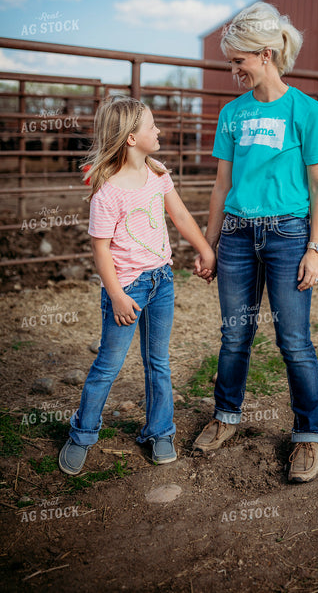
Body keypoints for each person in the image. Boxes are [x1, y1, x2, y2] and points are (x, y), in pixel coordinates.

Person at [193, 1, 318, 483]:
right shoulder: (232, 114)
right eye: (232, 62)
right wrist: (208, 245)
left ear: (266, 55)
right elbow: (219, 184)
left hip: (289, 236)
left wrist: (315, 248)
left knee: (294, 341)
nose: (234, 70)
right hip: (234, 236)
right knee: (235, 334)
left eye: (239, 61)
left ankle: (308, 437)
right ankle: (226, 416)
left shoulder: (306, 111)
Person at [59, 97, 215, 475]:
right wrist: (116, 295)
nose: (158, 131)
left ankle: (159, 431)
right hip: (127, 288)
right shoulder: (108, 191)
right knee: (108, 366)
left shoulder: (157, 173)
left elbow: (178, 214)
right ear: (131, 138)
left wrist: (205, 249)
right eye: (151, 126)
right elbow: (101, 251)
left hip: (162, 281)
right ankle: (82, 433)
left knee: (157, 362)